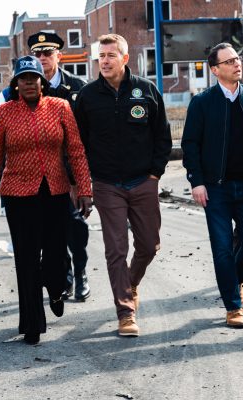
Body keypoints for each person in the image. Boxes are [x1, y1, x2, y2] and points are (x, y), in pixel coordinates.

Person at [0, 56, 92, 345]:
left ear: (42, 81)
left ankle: (56, 288)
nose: (29, 83)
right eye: (23, 78)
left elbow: (76, 150)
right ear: (15, 83)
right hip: (18, 196)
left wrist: (85, 190)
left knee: (55, 255)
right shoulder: (3, 114)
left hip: (54, 192)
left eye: (34, 78)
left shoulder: (60, 107)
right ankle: (31, 324)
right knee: (26, 260)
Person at [75, 34, 171, 337]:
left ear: (125, 58)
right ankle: (126, 312)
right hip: (106, 185)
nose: (104, 61)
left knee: (149, 245)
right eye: (101, 56)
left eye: (110, 55)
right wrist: (84, 183)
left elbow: (162, 136)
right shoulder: (87, 97)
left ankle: (131, 283)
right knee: (115, 248)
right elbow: (78, 145)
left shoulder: (147, 91)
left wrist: (155, 174)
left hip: (143, 181)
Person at [182, 43, 243, 328]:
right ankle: (234, 306)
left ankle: (234, 281)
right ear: (215, 69)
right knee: (221, 248)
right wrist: (196, 182)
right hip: (215, 189)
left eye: (238, 59)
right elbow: (190, 145)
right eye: (230, 60)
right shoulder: (202, 102)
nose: (237, 64)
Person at [28, 31, 91, 301]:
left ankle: (81, 275)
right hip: (42, 175)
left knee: (76, 228)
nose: (43, 58)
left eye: (48, 53)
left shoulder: (78, 87)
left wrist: (83, 182)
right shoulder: (28, 88)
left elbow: (86, 137)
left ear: (58, 56)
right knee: (52, 231)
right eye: (38, 54)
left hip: (72, 175)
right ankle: (63, 279)